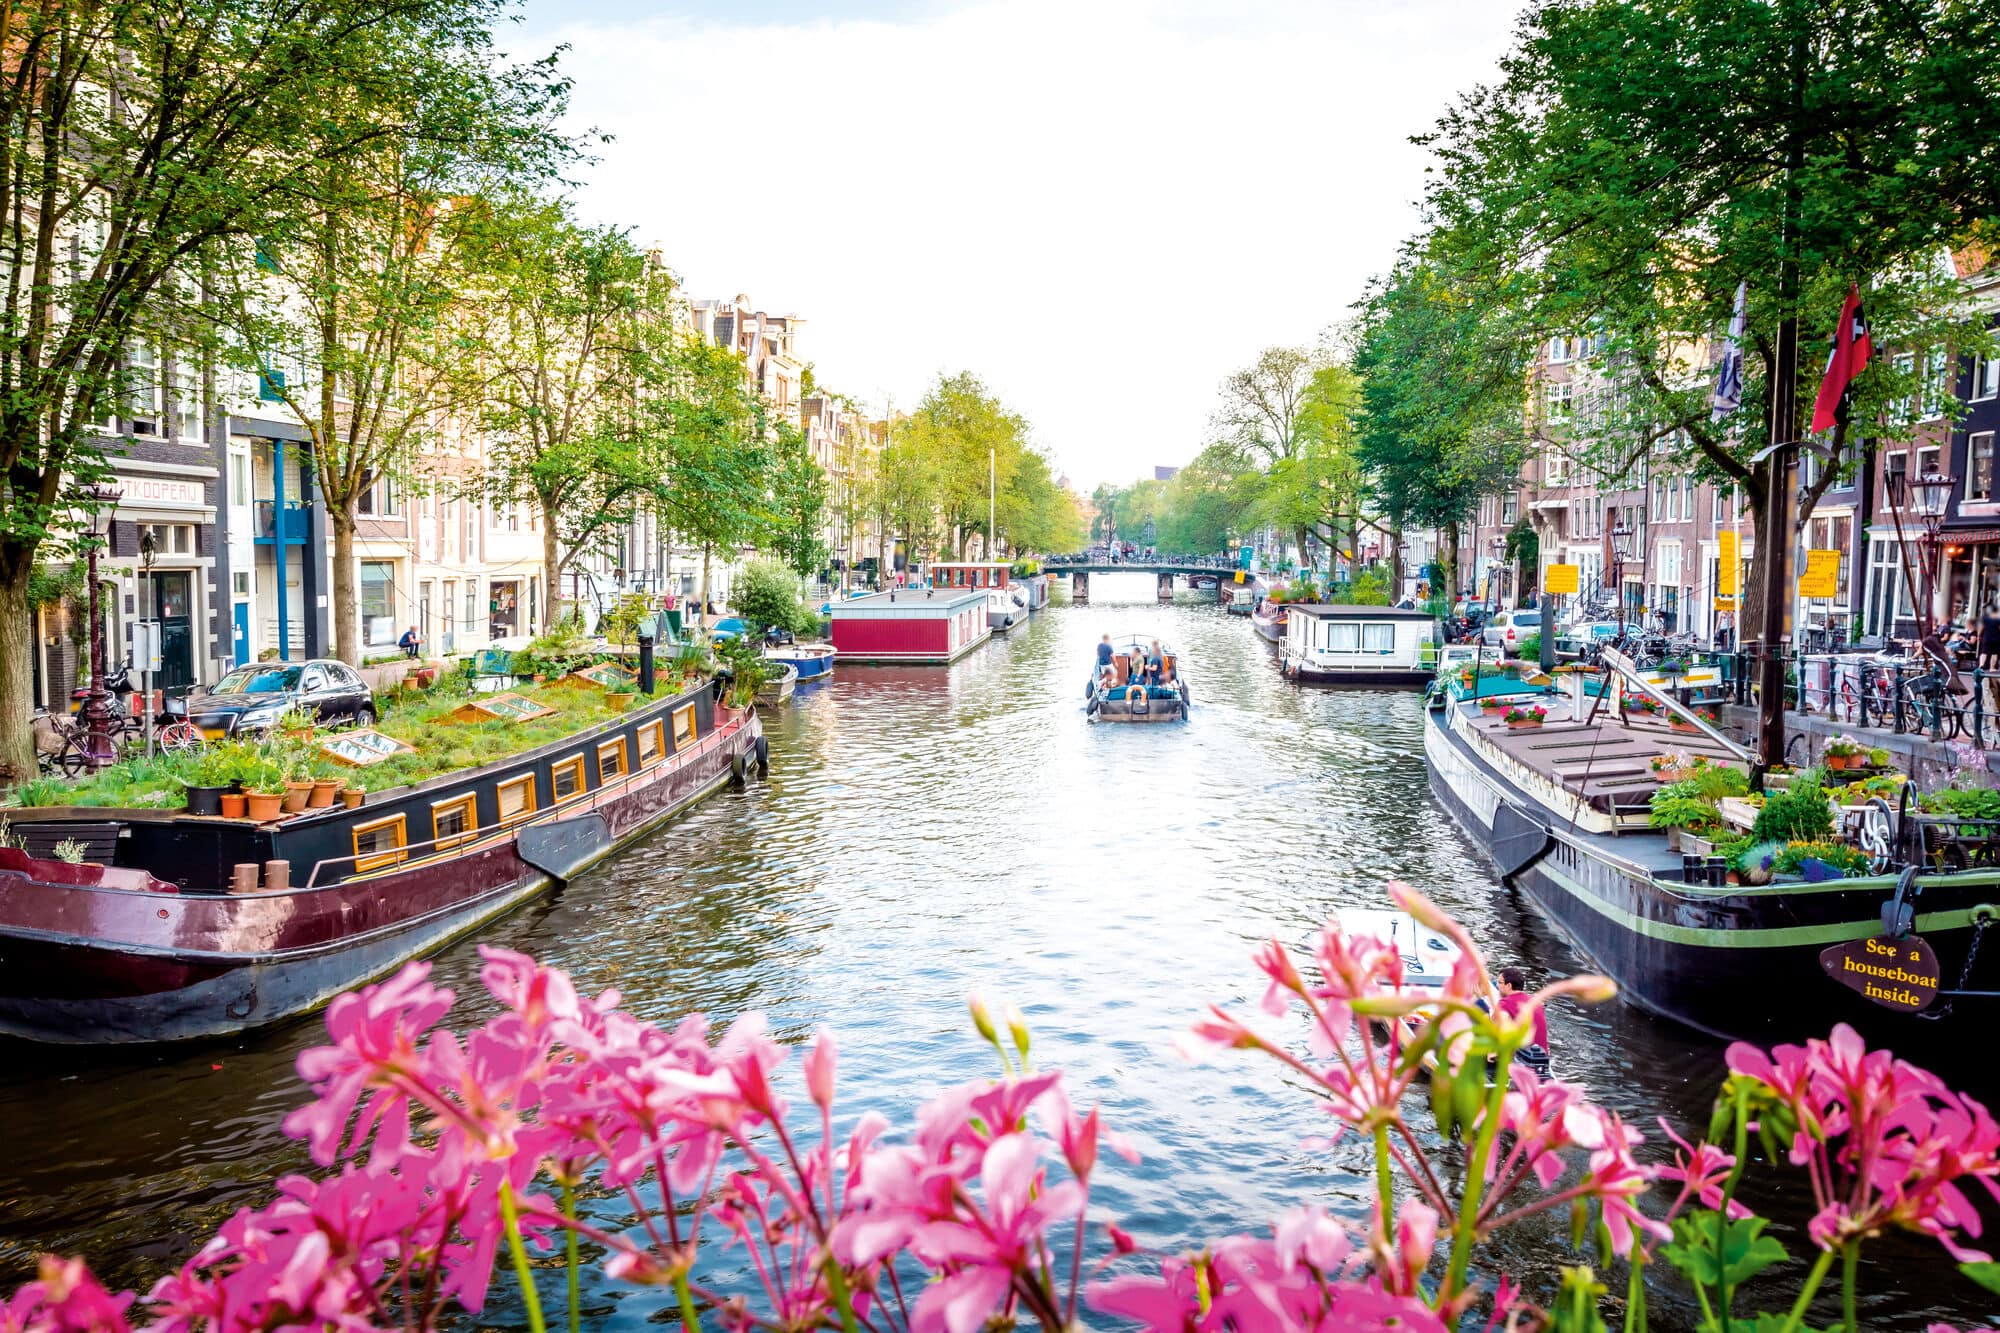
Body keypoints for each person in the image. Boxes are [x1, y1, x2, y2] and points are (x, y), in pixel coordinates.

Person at [1495, 967, 1551, 1071]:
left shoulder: (1504, 1004)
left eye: (1499, 982)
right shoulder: (1535, 1002)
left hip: (1523, 1062)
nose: (1497, 985)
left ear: (1509, 985)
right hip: (1543, 1058)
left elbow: (1496, 1029)